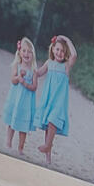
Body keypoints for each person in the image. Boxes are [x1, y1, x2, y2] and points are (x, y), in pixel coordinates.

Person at [36, 34, 76, 163]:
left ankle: (47, 146)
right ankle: (48, 154)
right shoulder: (49, 63)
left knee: (53, 121)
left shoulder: (66, 66)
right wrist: (29, 72)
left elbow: (74, 55)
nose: (59, 53)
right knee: (48, 126)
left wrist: (67, 39)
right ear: (53, 49)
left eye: (63, 51)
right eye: (57, 49)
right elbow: (39, 73)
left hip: (59, 101)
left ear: (65, 53)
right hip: (48, 99)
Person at [0, 36, 43, 155]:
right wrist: (19, 78)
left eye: (29, 51)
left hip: (26, 103)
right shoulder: (16, 65)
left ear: (33, 55)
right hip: (16, 100)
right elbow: (13, 80)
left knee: (23, 127)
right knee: (11, 122)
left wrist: (25, 83)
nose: (26, 54)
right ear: (19, 52)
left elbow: (34, 87)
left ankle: (20, 148)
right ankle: (8, 142)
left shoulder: (34, 70)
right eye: (24, 51)